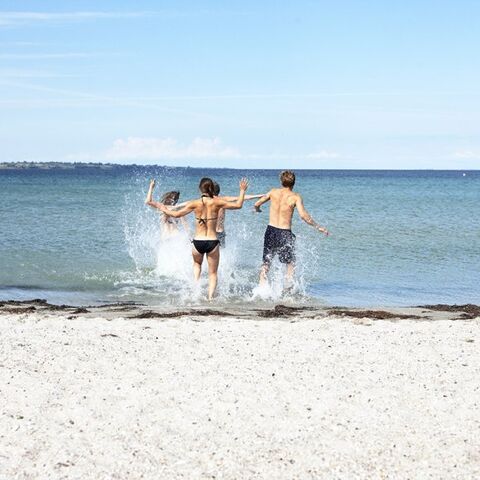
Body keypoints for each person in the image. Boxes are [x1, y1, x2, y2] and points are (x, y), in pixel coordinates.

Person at [151, 176, 249, 300]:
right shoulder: (217, 202)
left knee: (197, 266)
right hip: (212, 242)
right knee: (212, 273)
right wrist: (242, 190)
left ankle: (195, 293)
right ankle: (210, 298)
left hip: (197, 242)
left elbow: (175, 214)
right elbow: (239, 204)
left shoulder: (194, 203)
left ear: (200, 189)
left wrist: (163, 208)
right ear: (211, 189)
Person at [253, 170, 329, 288]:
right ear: (294, 183)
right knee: (290, 264)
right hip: (284, 233)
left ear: (281, 181)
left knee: (266, 263)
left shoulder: (273, 192)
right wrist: (318, 227)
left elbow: (257, 204)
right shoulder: (295, 197)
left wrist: (257, 209)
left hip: (270, 231)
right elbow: (304, 216)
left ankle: (261, 290)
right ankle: (287, 292)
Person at [212, 181, 264, 248]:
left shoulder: (206, 201)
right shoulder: (223, 200)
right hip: (220, 233)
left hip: (209, 233)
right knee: (219, 254)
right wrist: (258, 196)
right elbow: (241, 198)